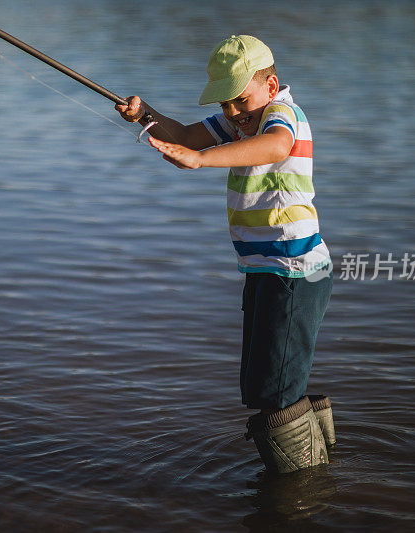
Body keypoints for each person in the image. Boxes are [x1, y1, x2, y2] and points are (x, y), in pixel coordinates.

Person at [116, 35, 335, 473]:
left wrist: (200, 160)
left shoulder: (281, 115)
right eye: (224, 104)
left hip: (294, 272)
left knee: (276, 392)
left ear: (271, 86)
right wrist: (145, 115)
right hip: (263, 269)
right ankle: (317, 474)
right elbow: (180, 133)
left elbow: (276, 146)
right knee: (261, 385)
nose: (232, 112)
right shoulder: (237, 122)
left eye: (239, 100)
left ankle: (305, 485)